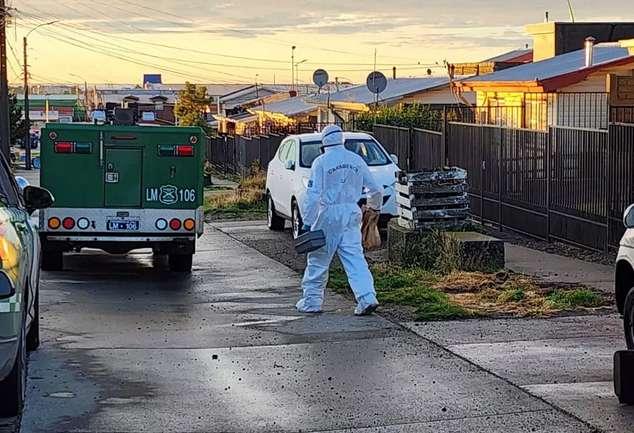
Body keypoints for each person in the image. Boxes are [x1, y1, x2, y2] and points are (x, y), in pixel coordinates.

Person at [296, 124, 382, 316]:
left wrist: (307, 222)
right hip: (352, 212)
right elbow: (376, 189)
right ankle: (367, 297)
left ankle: (312, 301)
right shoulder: (356, 160)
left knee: (319, 258)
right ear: (342, 140)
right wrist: (374, 208)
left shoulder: (321, 162)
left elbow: (313, 196)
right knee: (355, 258)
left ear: (324, 143)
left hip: (328, 214)